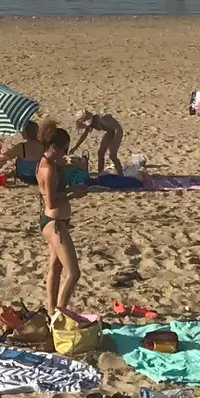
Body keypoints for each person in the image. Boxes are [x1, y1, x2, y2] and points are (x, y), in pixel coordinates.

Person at [36, 124, 86, 314]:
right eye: (63, 149)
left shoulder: (48, 163)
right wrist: (74, 193)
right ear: (54, 147)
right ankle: (60, 312)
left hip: (55, 222)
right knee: (73, 273)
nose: (64, 153)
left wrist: (72, 166)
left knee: (56, 267)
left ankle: (51, 312)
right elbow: (51, 201)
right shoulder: (47, 168)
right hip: (54, 223)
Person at [68, 111, 125, 175]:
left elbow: (116, 128)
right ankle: (100, 174)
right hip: (110, 132)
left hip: (117, 131)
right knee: (100, 152)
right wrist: (75, 147)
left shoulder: (101, 119)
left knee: (112, 155)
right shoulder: (92, 123)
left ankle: (121, 174)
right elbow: (84, 135)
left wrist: (114, 142)